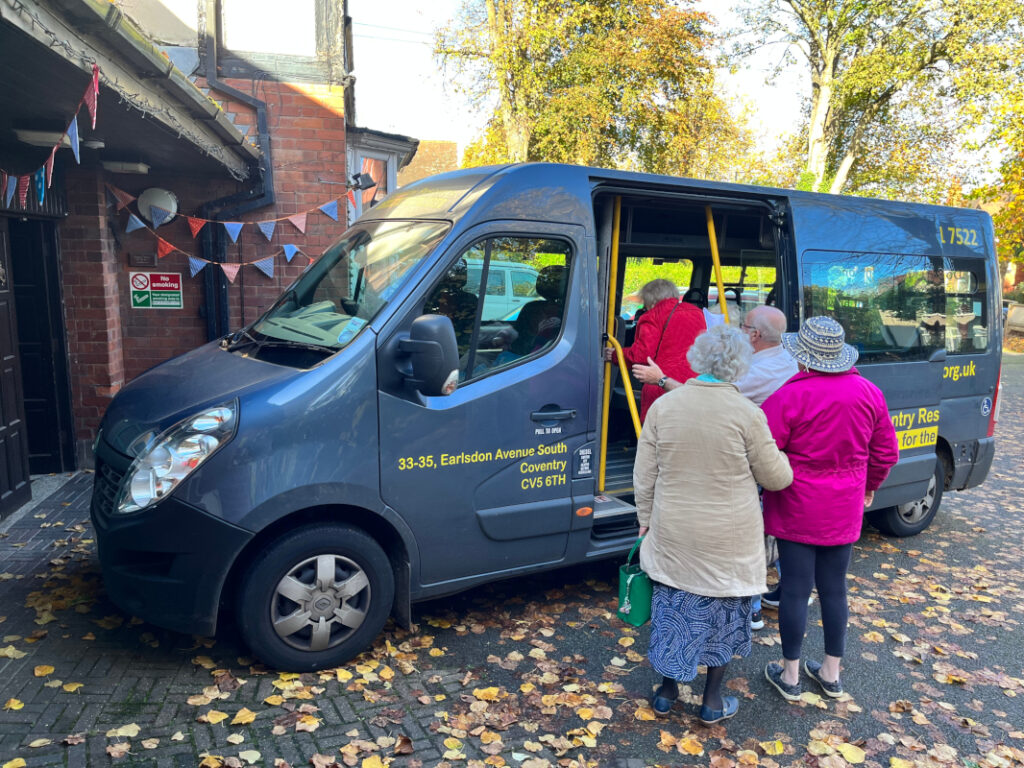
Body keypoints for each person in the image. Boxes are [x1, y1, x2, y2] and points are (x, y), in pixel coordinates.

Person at [633, 325, 793, 725]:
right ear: (740, 366)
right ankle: (712, 701)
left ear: (697, 358)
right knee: (723, 614)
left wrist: (644, 520)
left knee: (675, 609)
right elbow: (776, 478)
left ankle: (667, 693)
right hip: (729, 539)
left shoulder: (664, 408)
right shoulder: (747, 414)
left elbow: (644, 474)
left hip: (674, 530)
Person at [760, 316, 898, 702]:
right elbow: (886, 452)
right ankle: (831, 674)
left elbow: (765, 448)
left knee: (795, 591)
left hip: (796, 503)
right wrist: (869, 486)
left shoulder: (789, 395)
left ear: (803, 358)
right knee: (835, 590)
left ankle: (789, 676)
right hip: (845, 503)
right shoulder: (869, 392)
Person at [605, 279, 706, 421]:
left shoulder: (652, 317)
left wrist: (616, 355)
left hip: (661, 383)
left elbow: (642, 355)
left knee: (655, 431)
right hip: (693, 383)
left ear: (651, 300)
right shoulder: (697, 313)